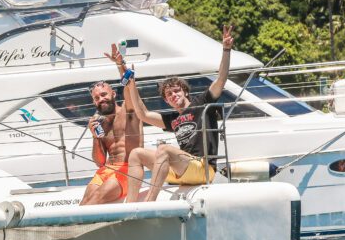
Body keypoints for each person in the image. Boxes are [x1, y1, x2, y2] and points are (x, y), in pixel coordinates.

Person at [125, 24, 234, 202]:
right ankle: (128, 206)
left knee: (164, 149)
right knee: (136, 153)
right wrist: (131, 84)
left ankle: (149, 202)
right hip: (181, 170)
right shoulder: (172, 119)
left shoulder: (201, 102)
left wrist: (226, 49)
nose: (174, 95)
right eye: (169, 94)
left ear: (185, 91)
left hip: (202, 168)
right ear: (166, 101)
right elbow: (143, 114)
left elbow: (221, 79)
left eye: (176, 91)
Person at [79, 45, 143, 205]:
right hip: (105, 170)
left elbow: (129, 88)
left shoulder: (128, 112)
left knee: (94, 201)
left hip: (128, 169)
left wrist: (120, 65)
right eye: (96, 98)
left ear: (113, 94)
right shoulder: (101, 122)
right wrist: (95, 137)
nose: (101, 99)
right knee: (84, 202)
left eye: (103, 94)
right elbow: (100, 162)